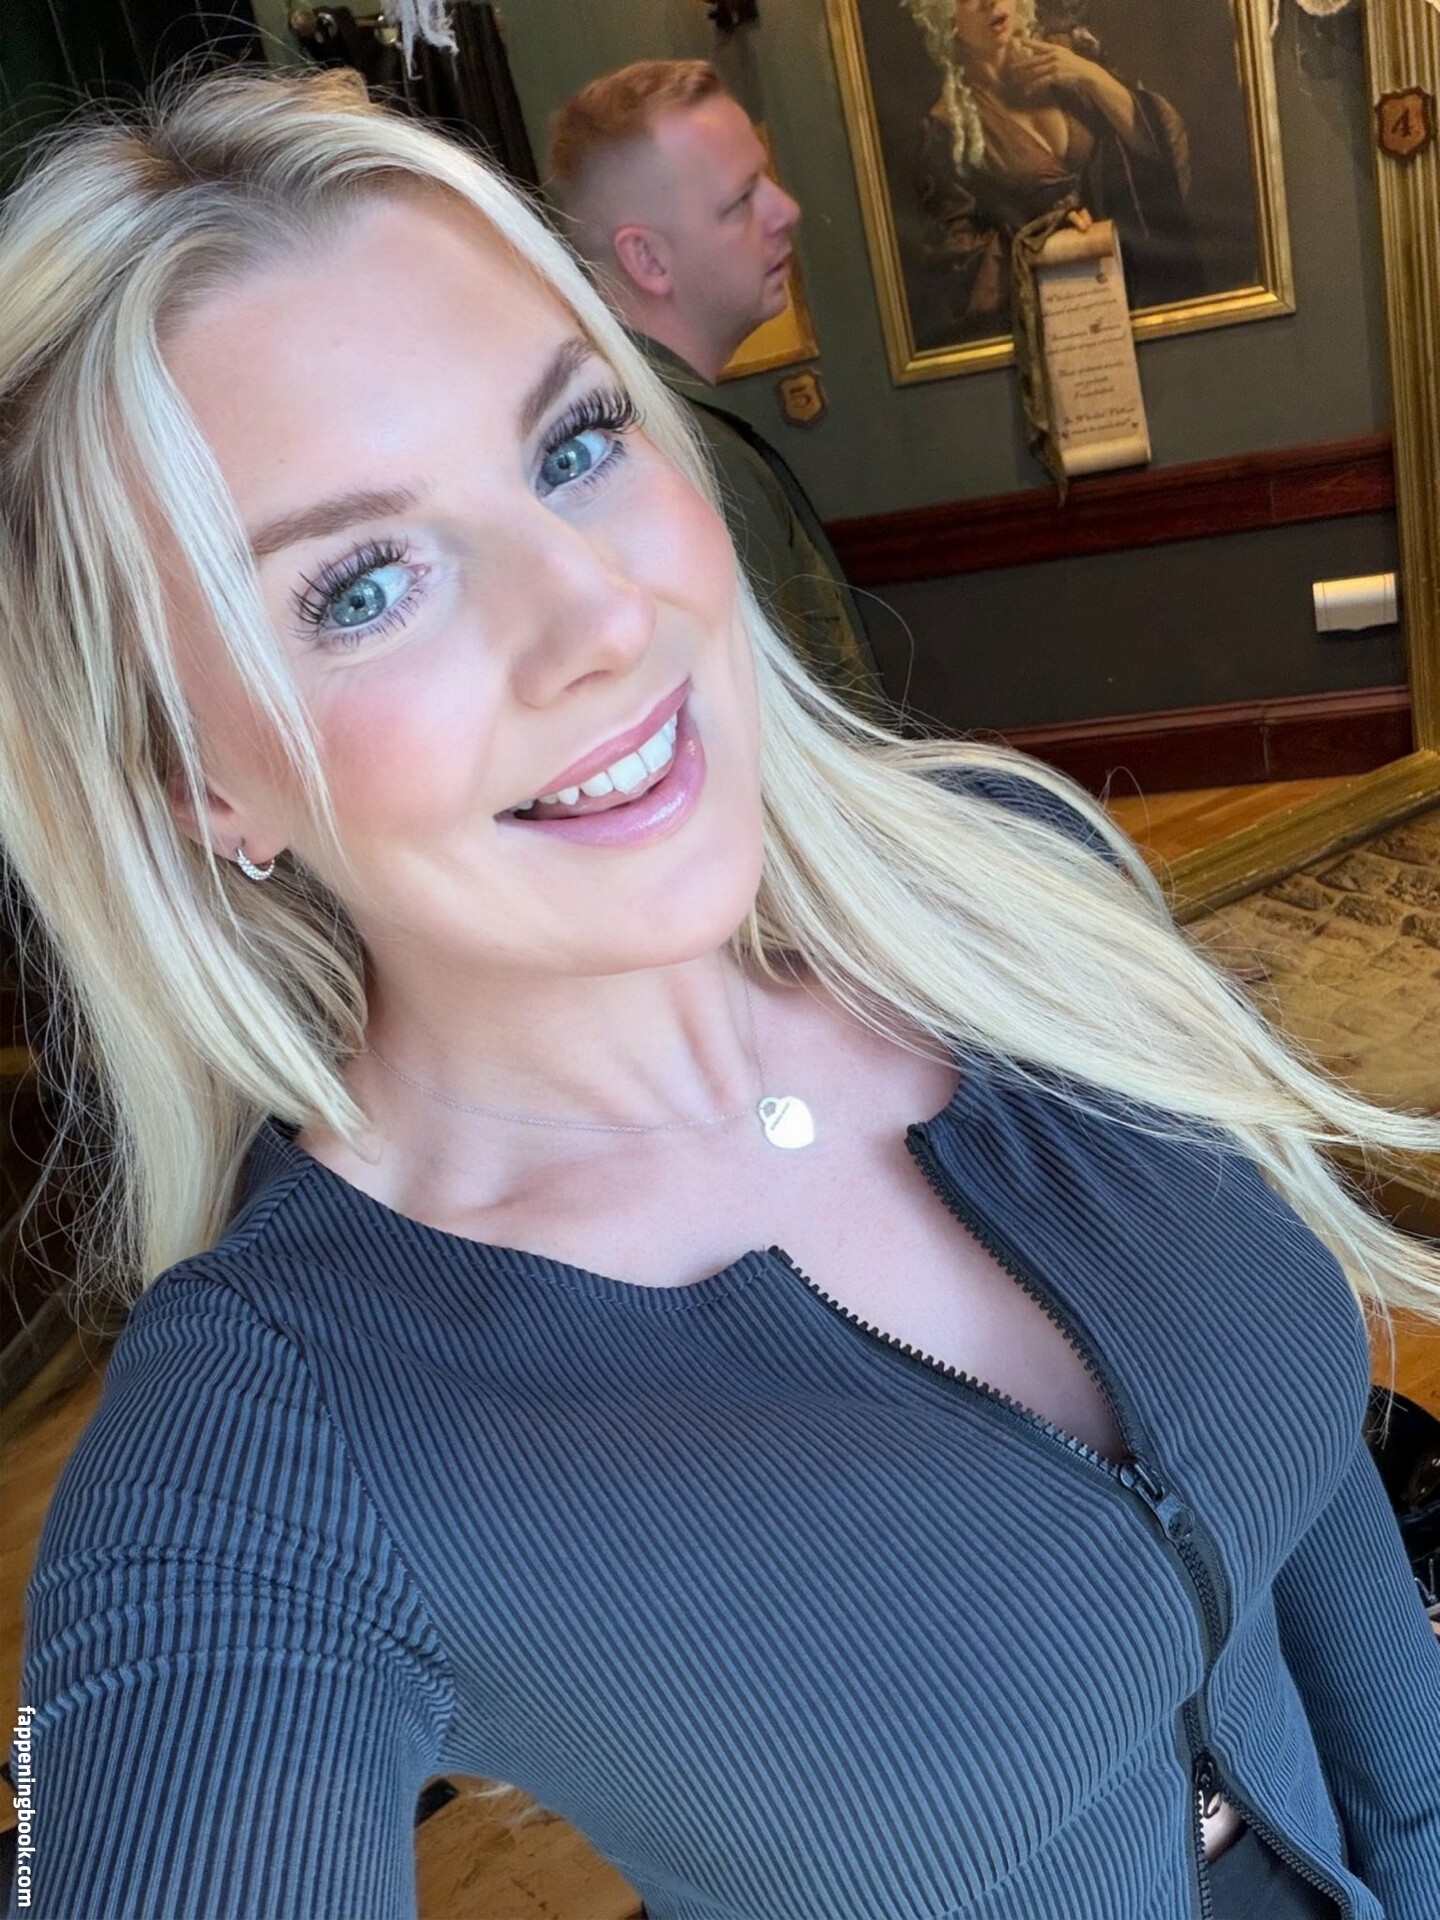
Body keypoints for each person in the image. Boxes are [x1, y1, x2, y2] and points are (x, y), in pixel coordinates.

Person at [1, 66, 1438, 1920]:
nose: (602, 616)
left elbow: (1313, 1495)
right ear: (198, 781)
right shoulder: (279, 1441)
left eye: (574, 444)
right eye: (360, 586)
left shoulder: (1012, 888)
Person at [546, 59, 889, 722]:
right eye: (741, 201)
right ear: (648, 259)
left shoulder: (625, 433)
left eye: (767, 180)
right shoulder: (683, 458)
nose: (786, 211)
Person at [902, 0, 1202, 351]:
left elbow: (1161, 147)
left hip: (1146, 289)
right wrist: (1045, 236)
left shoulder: (1067, 55)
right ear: (944, 16)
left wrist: (1091, 76)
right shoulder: (947, 127)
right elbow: (960, 266)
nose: (991, 2)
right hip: (1064, 322)